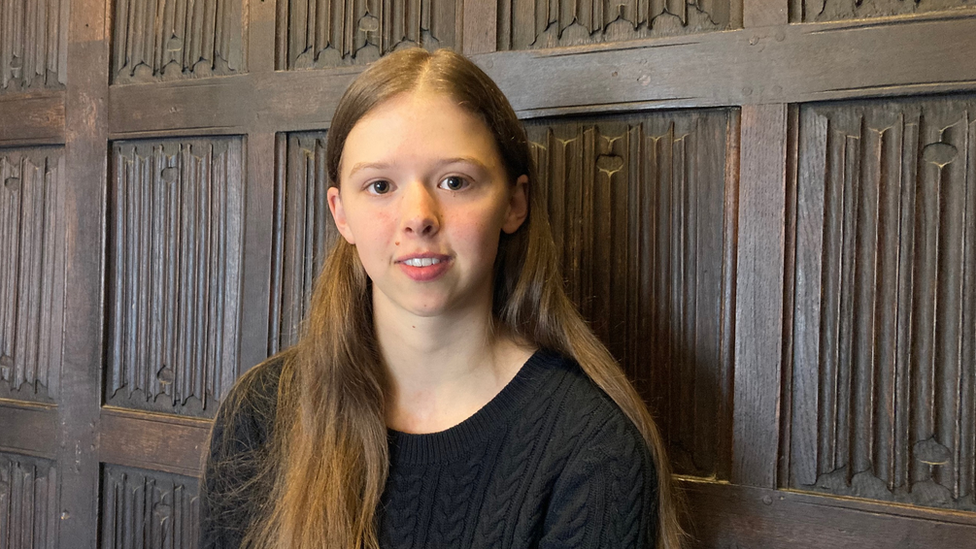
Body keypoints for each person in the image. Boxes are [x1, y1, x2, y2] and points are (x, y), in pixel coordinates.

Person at [202, 47, 682, 549]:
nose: (418, 216)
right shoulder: (262, 412)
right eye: (380, 185)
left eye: (455, 181)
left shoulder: (592, 446)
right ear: (341, 213)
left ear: (514, 204)